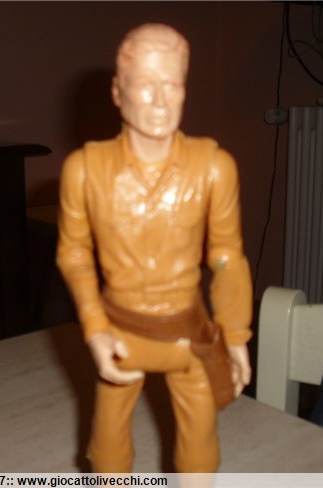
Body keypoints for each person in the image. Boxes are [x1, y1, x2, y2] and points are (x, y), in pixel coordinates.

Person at [57, 23, 252, 473]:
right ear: (117, 91)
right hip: (120, 330)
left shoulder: (214, 168)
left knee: (200, 440)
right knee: (108, 444)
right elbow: (74, 253)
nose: (160, 101)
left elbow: (226, 255)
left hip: (189, 333)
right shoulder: (84, 170)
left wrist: (236, 335)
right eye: (145, 85)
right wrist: (95, 329)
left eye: (173, 85)